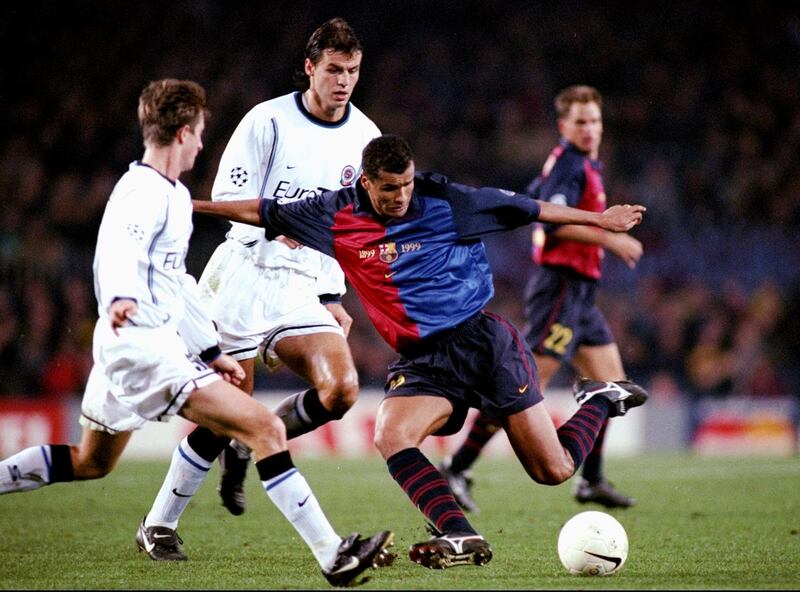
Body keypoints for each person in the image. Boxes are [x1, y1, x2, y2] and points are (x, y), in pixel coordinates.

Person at [0, 79, 393, 587]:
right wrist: (121, 295)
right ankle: (333, 554)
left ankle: (154, 520)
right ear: (183, 133)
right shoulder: (144, 195)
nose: (203, 143)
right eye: (200, 133)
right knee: (266, 430)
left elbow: (177, 281)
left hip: (130, 349)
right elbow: (122, 252)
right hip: (147, 350)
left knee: (90, 461)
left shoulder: (165, 192)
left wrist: (210, 349)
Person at [191, 133, 649, 569]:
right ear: (365, 183)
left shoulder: (450, 201)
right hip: (424, 361)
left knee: (554, 470)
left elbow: (530, 209)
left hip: (483, 345)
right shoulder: (335, 213)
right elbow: (262, 210)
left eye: (407, 184)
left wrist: (599, 221)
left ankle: (601, 399)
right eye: (390, 188)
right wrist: (187, 204)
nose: (401, 196)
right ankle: (458, 532)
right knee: (391, 434)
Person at [145, 17, 381, 524]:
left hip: (304, 284)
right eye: (334, 70)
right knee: (230, 405)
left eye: (353, 71)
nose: (344, 81)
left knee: (340, 389)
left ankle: (249, 444)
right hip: (246, 273)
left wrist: (333, 294)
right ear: (310, 68)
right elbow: (228, 196)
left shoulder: (365, 135)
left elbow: (352, 225)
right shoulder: (267, 121)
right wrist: (274, 226)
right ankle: (159, 523)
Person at [440, 84, 644, 513]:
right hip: (560, 289)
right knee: (523, 389)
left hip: (581, 297)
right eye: (581, 122)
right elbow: (551, 225)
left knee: (613, 387)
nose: (590, 129)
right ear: (563, 126)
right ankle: (457, 467)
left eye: (595, 121)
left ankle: (591, 480)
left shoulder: (574, 165)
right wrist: (611, 239)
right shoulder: (570, 164)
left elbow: (536, 198)